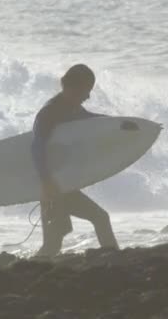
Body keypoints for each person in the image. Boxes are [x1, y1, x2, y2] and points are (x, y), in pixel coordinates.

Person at [31, 64, 119, 257]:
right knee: (54, 243)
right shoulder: (49, 112)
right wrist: (46, 183)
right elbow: (37, 148)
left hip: (63, 185)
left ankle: (113, 259)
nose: (87, 97)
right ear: (72, 87)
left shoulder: (72, 108)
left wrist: (117, 124)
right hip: (53, 188)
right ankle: (114, 260)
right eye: (86, 91)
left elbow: (91, 121)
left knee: (96, 220)